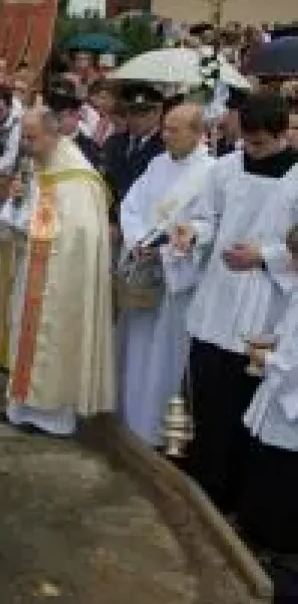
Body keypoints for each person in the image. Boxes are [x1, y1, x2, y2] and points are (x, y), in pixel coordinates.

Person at [173, 93, 298, 516]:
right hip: (219, 297)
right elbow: (208, 217)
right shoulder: (225, 169)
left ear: (282, 134)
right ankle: (202, 486)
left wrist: (265, 256)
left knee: (243, 405)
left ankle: (236, 500)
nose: (251, 150)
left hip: (266, 302)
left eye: (260, 143)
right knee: (208, 397)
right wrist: (194, 233)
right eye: (246, 141)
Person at [0, 107, 115, 436]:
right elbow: (29, 211)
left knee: (53, 343)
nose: (26, 145)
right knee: (25, 334)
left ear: (53, 135)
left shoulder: (77, 175)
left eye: (32, 138)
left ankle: (53, 418)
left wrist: (37, 231)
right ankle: (20, 409)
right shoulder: (37, 164)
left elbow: (82, 231)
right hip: (32, 265)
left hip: (60, 276)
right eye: (24, 137)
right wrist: (15, 203)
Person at [117, 104, 215, 446]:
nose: (165, 135)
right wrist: (137, 241)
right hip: (144, 270)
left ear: (197, 133)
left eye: (174, 130)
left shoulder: (210, 173)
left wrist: (179, 242)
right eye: (165, 128)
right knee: (136, 349)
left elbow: (209, 224)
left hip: (176, 278)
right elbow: (131, 206)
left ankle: (155, 431)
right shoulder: (157, 164)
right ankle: (129, 420)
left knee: (164, 356)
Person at [238, 223, 298, 555]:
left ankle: (275, 546)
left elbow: (293, 365)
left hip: (291, 408)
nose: (290, 264)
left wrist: (266, 358)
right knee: (263, 467)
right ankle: (255, 532)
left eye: (295, 257)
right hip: (279, 397)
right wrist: (271, 341)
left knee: (281, 479)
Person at [102, 83, 166, 231]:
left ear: (158, 112)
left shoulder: (165, 148)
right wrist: (111, 220)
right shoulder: (114, 143)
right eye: (131, 113)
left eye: (143, 114)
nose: (136, 120)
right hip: (112, 223)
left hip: (146, 224)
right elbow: (106, 184)